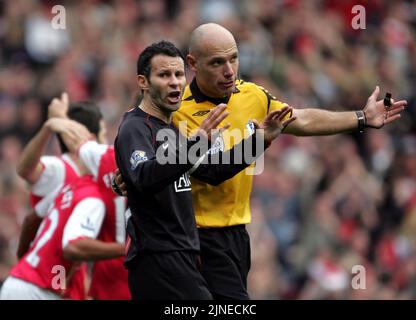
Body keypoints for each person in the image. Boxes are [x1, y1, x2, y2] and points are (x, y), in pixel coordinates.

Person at [170, 23, 408, 300]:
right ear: (192, 63)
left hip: (235, 237)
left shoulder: (252, 96)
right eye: (217, 62)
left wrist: (360, 118)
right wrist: (260, 142)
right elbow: (210, 171)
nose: (230, 70)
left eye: (234, 58)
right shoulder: (177, 111)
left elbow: (301, 118)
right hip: (193, 237)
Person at [114, 40, 295, 300]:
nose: (175, 82)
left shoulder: (171, 131)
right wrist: (196, 144)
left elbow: (212, 171)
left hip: (183, 255)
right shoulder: (136, 126)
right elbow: (143, 176)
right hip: (157, 256)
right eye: (164, 75)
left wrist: (261, 140)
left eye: (178, 74)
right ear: (143, 82)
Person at [14, 97, 130, 299]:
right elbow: (25, 172)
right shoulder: (62, 168)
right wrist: (50, 127)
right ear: (90, 137)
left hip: (54, 277)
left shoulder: (93, 180)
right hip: (43, 281)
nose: (106, 139)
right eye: (103, 132)